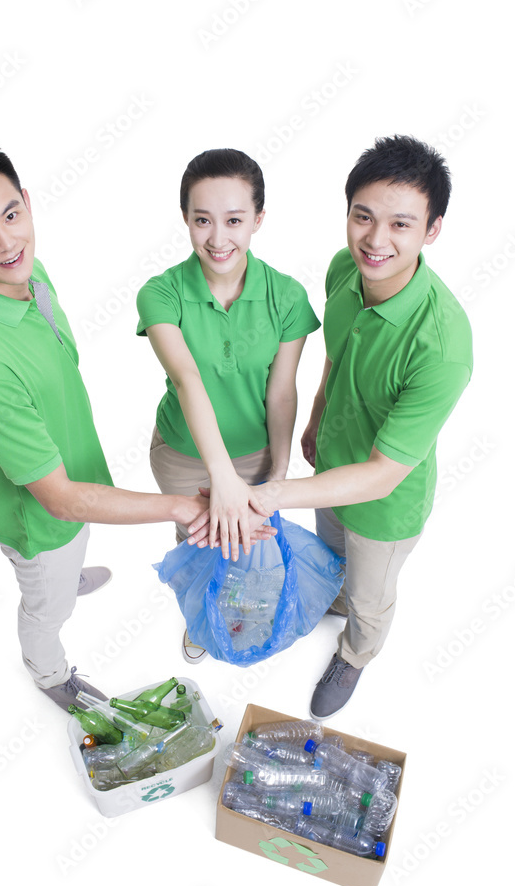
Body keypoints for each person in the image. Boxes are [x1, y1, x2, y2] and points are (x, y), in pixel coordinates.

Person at [0, 138, 271, 713]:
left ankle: (68, 577)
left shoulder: (28, 277)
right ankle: (48, 669)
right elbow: (59, 500)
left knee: (73, 547)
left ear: (27, 203)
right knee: (46, 603)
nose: (7, 242)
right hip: (42, 518)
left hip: (75, 481)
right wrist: (186, 507)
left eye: (11, 215)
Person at [188, 135, 473, 719]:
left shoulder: (442, 347)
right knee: (331, 552)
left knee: (370, 596)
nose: (375, 240)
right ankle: (334, 599)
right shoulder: (347, 270)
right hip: (330, 465)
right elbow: (338, 356)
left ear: (432, 230)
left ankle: (356, 651)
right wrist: (316, 416)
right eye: (363, 216)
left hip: (384, 504)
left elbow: (379, 476)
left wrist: (271, 493)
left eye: (401, 224)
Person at [136, 148, 321, 662]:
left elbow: (281, 392)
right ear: (186, 220)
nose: (218, 239)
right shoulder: (161, 293)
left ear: (258, 219)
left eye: (234, 220)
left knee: (249, 543)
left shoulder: (286, 296)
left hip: (258, 454)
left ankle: (242, 606)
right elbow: (187, 379)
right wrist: (221, 480)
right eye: (202, 221)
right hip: (185, 454)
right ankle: (202, 616)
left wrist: (277, 475)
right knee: (199, 541)